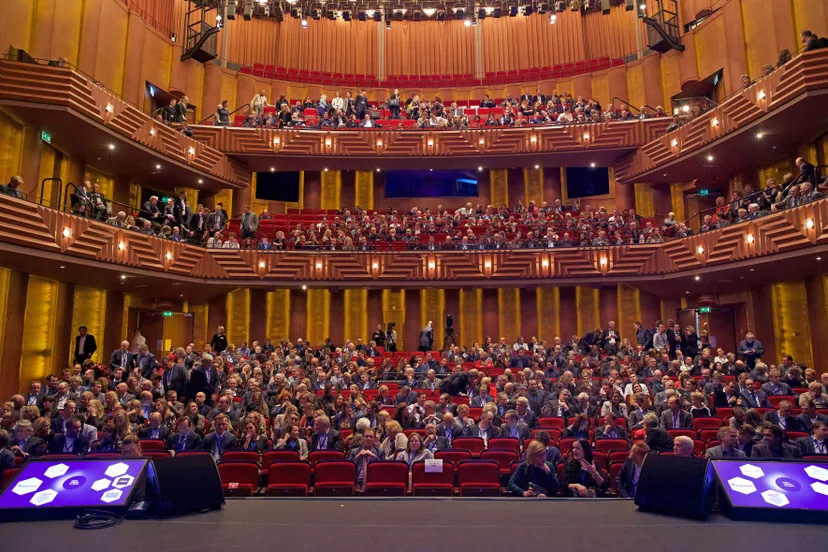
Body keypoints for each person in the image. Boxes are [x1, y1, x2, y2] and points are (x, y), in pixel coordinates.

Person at [348, 427, 380, 491]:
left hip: (373, 483)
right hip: (357, 482)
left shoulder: (380, 452)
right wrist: (357, 456)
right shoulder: (354, 451)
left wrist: (373, 456)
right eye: (366, 436)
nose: (368, 438)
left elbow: (382, 468)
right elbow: (348, 468)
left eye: (371, 437)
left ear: (374, 439)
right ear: (362, 439)